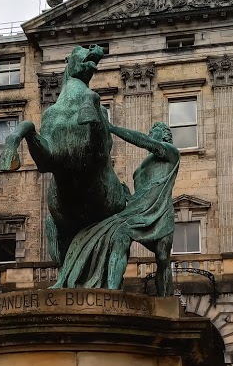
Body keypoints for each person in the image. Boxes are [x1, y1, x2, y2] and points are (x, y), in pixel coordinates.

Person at [53, 121, 180, 296]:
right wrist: (130, 197)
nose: (151, 135)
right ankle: (113, 292)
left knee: (163, 257)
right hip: (138, 211)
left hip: (160, 212)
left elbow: (145, 142)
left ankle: (167, 300)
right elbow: (145, 192)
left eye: (154, 132)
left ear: (164, 135)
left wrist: (112, 128)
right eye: (150, 132)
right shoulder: (141, 168)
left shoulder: (171, 153)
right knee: (119, 237)